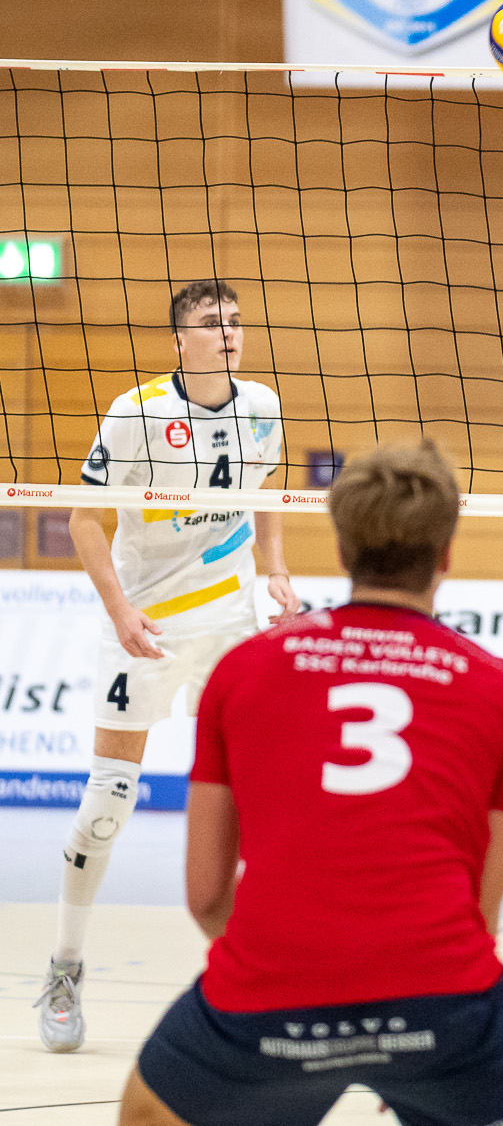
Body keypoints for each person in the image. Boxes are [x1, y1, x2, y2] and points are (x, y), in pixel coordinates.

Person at [117, 438, 503, 1126]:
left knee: (146, 1111)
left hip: (270, 990)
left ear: (343, 549)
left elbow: (205, 897)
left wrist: (304, 978)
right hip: (440, 1002)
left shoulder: (243, 671)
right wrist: (397, 1049)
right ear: (444, 554)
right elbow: (479, 913)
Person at [34, 278, 298, 1053]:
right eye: (212, 324)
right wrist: (119, 612)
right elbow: (84, 519)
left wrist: (276, 568)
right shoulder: (137, 411)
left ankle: (257, 975)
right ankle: (64, 965)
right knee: (108, 804)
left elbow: (267, 491)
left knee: (259, 801)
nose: (229, 334)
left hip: (228, 621)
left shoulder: (261, 403)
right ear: (180, 340)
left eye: (235, 322)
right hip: (144, 622)